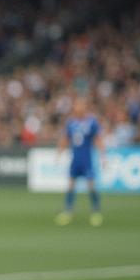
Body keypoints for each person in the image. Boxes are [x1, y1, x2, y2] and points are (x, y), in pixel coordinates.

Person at [55, 96, 105, 226]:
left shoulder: (92, 122)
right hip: (75, 160)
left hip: (87, 160)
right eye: (76, 105)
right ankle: (68, 211)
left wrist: (103, 156)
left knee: (91, 186)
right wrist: (59, 152)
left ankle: (96, 212)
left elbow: (98, 139)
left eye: (80, 105)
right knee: (71, 185)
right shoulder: (71, 123)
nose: (78, 108)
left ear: (85, 107)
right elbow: (65, 138)